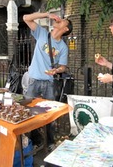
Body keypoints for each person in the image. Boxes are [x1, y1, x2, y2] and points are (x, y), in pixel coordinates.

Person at [23, 12, 73, 148]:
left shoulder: (63, 47)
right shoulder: (42, 33)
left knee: (50, 114)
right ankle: (33, 141)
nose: (59, 20)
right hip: (33, 80)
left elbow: (63, 67)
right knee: (29, 111)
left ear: (66, 29)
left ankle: (50, 142)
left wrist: (56, 71)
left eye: (63, 21)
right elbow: (26, 18)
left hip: (49, 82)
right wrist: (46, 15)